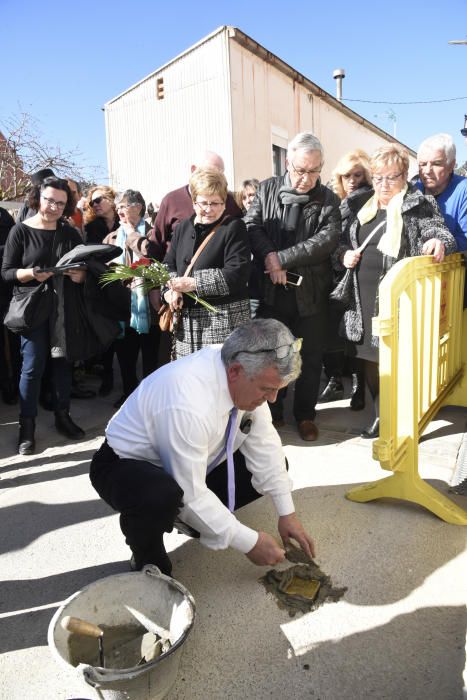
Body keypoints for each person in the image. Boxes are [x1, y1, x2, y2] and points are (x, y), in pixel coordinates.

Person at [90, 318, 315, 576]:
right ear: (235, 371)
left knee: (275, 467)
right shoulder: (187, 400)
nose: (273, 399)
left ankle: (189, 518)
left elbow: (266, 446)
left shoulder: (243, 367)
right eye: (267, 389)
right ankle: (146, 553)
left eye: (277, 390)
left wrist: (288, 514)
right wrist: (249, 542)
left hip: (193, 460)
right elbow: (190, 491)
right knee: (161, 495)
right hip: (123, 465)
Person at [334, 144, 456, 439]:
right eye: (378, 178)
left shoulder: (418, 203)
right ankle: (381, 415)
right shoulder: (359, 205)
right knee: (370, 360)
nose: (384, 185)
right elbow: (338, 242)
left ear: (405, 176)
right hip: (361, 297)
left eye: (392, 177)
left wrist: (439, 243)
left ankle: (402, 414)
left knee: (399, 361)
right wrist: (343, 255)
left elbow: (439, 231)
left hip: (399, 300)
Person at [245, 131, 341, 441]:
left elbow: (325, 241)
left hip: (311, 293)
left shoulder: (328, 198)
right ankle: (272, 414)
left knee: (311, 358)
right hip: (273, 292)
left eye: (315, 171)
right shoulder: (267, 189)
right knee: (274, 356)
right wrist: (269, 257)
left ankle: (305, 415)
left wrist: (280, 259)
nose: (307, 178)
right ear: (288, 162)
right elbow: (252, 226)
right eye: (301, 170)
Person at [2, 177, 87, 454]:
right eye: (49, 200)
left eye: (60, 203)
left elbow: (84, 268)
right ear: (38, 197)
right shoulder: (21, 231)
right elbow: (6, 272)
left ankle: (63, 417)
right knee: (32, 366)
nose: (53, 207)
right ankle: (26, 428)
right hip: (33, 309)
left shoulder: (69, 233)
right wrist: (31, 274)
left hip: (63, 308)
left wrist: (79, 276)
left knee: (62, 363)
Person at [163, 167, 251, 358]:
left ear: (224, 203)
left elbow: (237, 273)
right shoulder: (183, 228)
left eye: (216, 203)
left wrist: (193, 283)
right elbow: (168, 265)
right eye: (203, 203)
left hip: (224, 323)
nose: (209, 209)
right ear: (193, 201)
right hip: (186, 327)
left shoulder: (234, 227)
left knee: (219, 382)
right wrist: (171, 290)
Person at [319, 150, 373, 410]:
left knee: (353, 336)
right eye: (346, 175)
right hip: (333, 274)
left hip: (355, 275)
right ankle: (340, 382)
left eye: (357, 174)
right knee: (335, 334)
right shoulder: (335, 201)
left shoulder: (367, 199)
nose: (352, 180)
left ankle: (357, 388)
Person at [103, 189, 162, 408]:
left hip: (149, 303)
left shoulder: (153, 232)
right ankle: (128, 393)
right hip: (121, 304)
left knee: (150, 355)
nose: (119, 210)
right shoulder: (111, 236)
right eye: (117, 206)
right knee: (125, 355)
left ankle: (150, 395)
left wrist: (130, 233)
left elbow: (152, 254)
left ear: (138, 207)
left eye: (123, 206)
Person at [151, 150, 243, 250]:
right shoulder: (171, 201)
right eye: (211, 173)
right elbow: (156, 243)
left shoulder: (230, 201)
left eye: (221, 173)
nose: (217, 178)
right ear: (194, 170)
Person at [83, 185, 120, 395]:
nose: (94, 205)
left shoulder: (124, 222)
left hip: (124, 282)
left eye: (98, 200)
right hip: (102, 283)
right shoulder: (92, 228)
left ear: (111, 200)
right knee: (106, 333)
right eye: (92, 203)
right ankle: (107, 377)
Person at [416, 133, 467, 252]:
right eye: (423, 164)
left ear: (452, 165)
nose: (427, 171)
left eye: (436, 164)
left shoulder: (464, 190)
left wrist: (443, 244)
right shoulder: (412, 190)